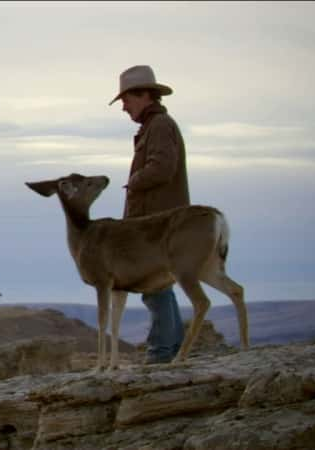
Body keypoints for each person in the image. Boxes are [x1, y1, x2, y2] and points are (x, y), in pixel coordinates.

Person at [109, 65, 190, 364]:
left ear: (143, 95)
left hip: (156, 224)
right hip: (154, 224)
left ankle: (161, 351)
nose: (124, 108)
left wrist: (134, 182)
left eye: (126, 100)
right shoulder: (154, 126)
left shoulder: (160, 126)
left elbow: (163, 168)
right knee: (158, 286)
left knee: (152, 286)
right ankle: (170, 347)